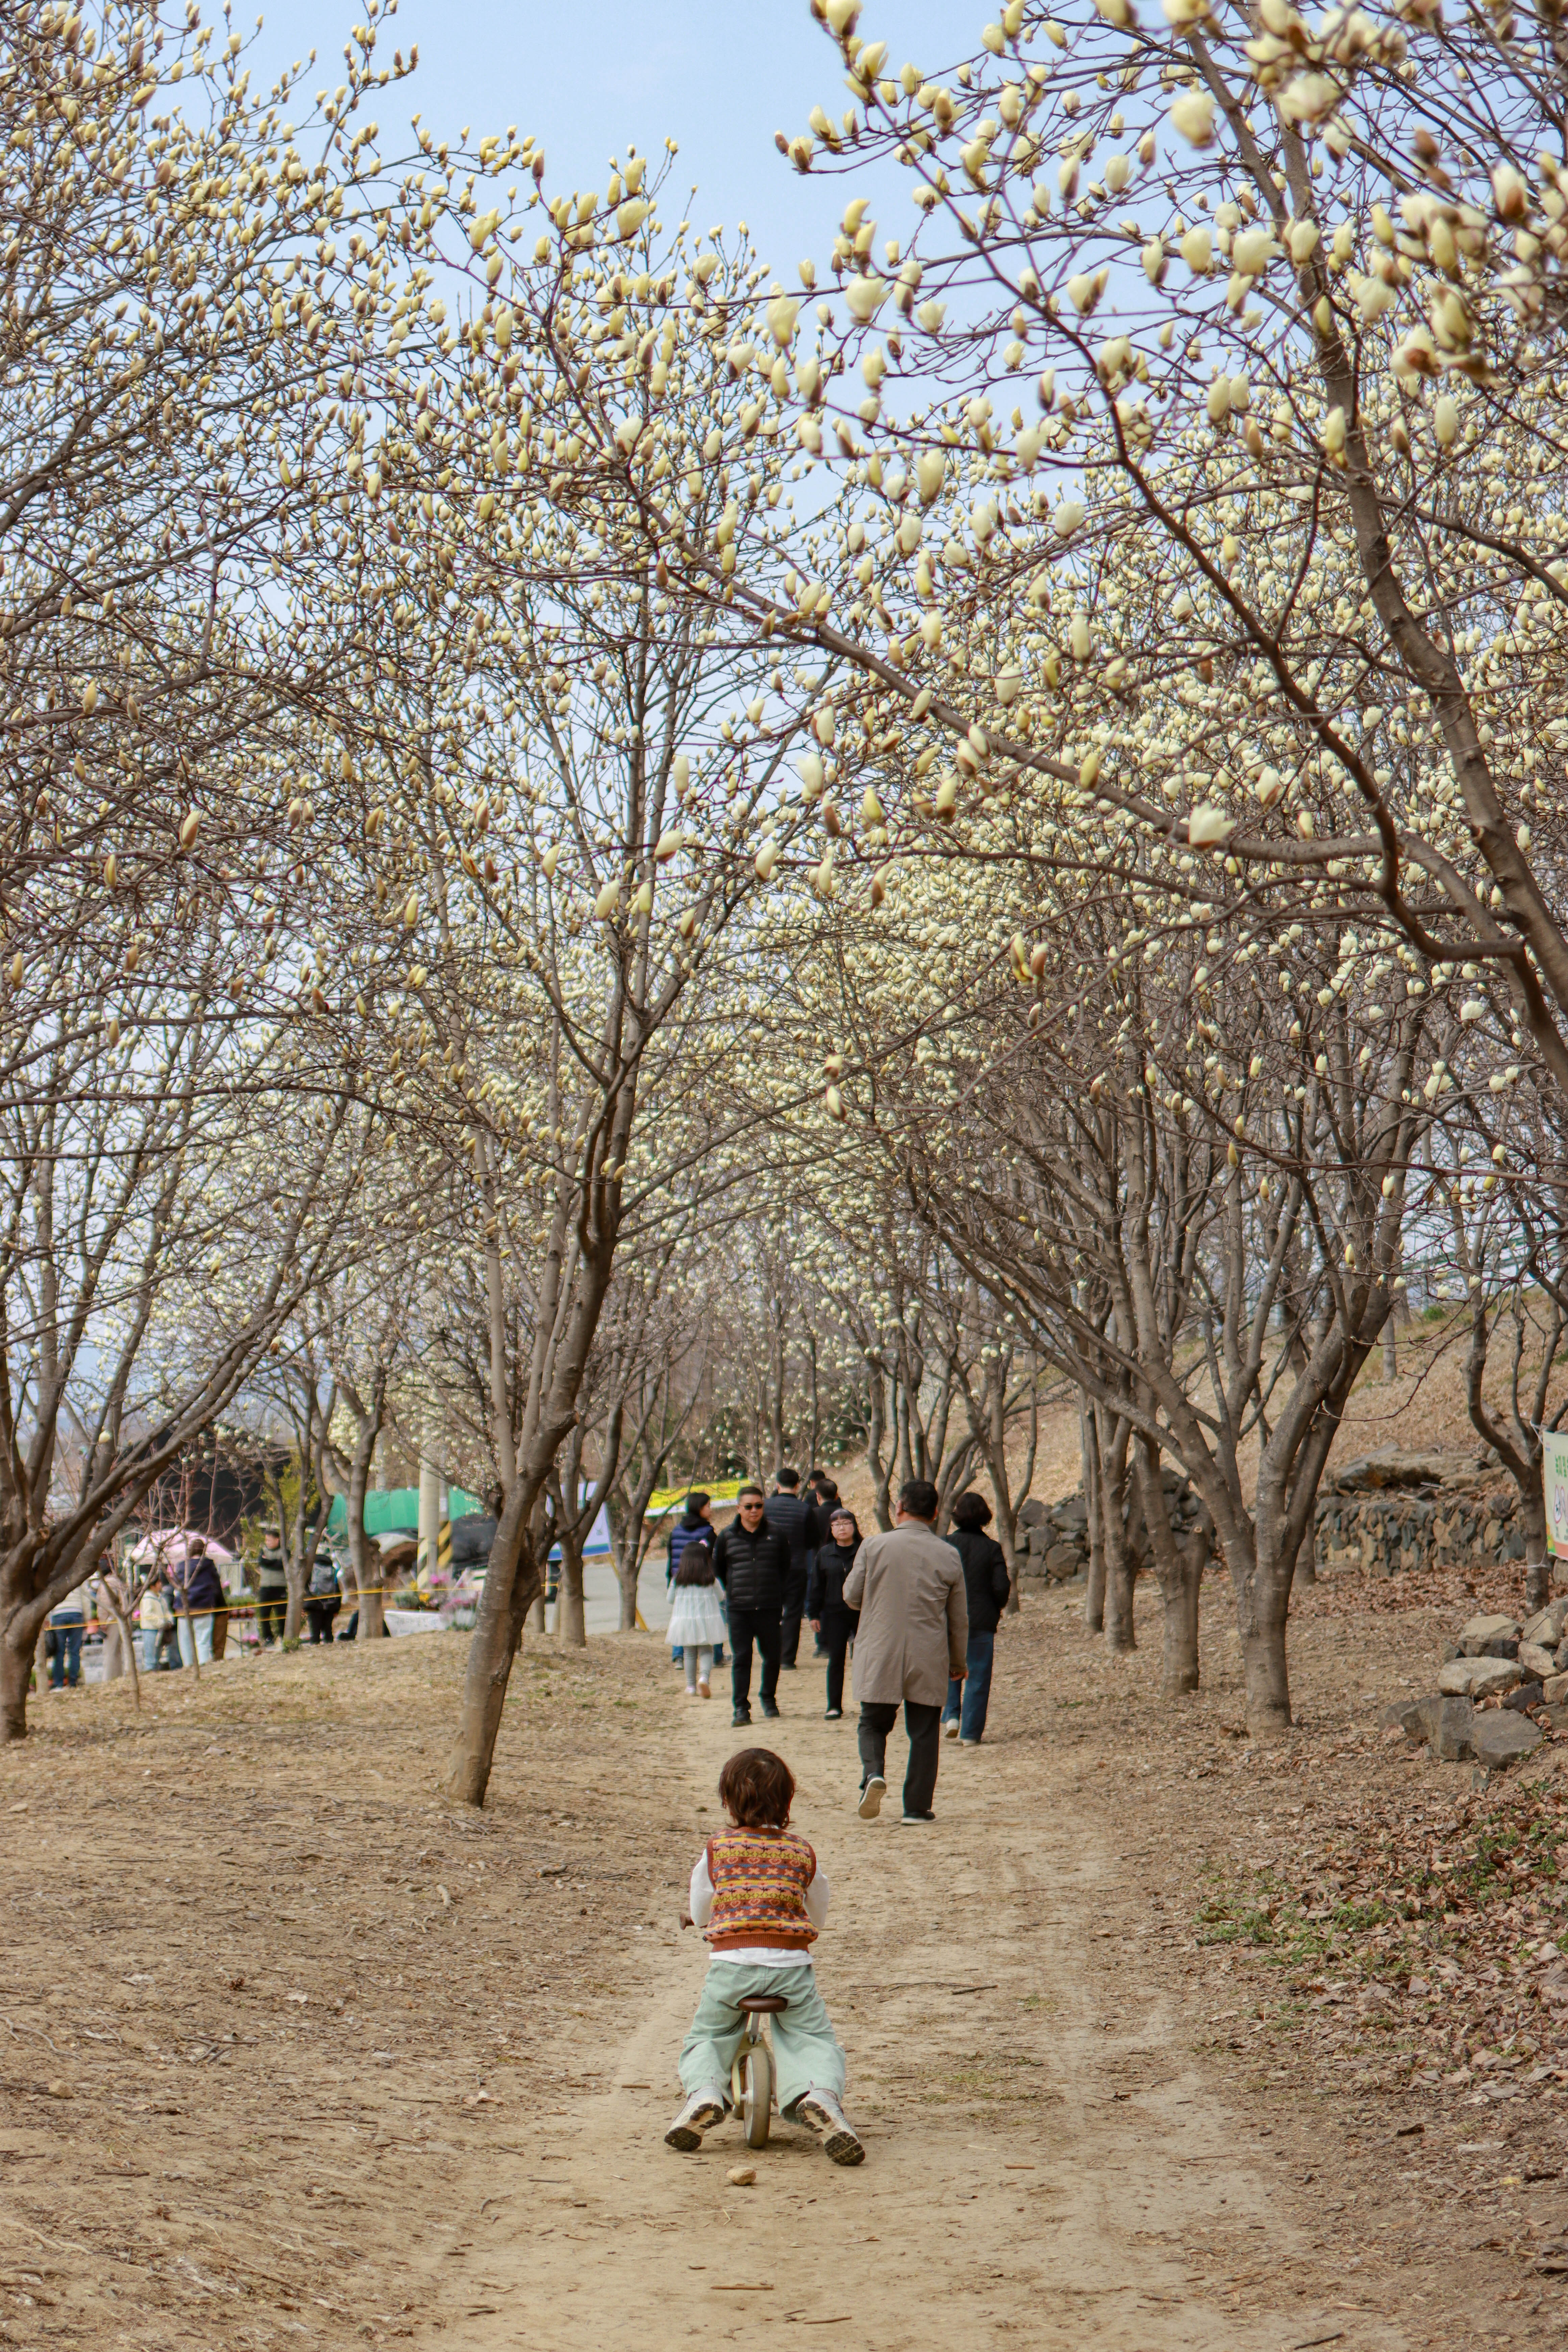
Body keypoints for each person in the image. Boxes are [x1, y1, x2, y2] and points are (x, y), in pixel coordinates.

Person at [665, 1745, 863, 2166]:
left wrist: (701, 1920)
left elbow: (702, 1905)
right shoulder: (801, 1851)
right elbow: (818, 1908)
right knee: (810, 2037)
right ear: (787, 1801)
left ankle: (704, 2093)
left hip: (732, 1967)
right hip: (790, 1968)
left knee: (709, 2035)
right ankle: (819, 2094)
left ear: (727, 1800)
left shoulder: (718, 1848)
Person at [843, 1478, 968, 1826]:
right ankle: (916, 1807)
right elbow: (959, 1618)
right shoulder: (948, 1554)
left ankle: (873, 1774)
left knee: (873, 1723)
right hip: (928, 1652)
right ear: (935, 1513)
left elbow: (851, 1596)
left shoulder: (873, 1546)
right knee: (925, 1732)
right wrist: (958, 1661)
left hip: (880, 1649)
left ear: (898, 1507)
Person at [713, 1486, 789, 1728]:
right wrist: (734, 1591)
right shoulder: (726, 1536)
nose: (754, 1510)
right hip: (739, 1609)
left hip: (769, 1607)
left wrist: (777, 1593)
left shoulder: (777, 1534)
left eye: (759, 1505)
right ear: (739, 1508)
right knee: (742, 1658)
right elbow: (719, 1569)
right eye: (748, 1507)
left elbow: (785, 1567)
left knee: (773, 1657)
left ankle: (768, 1698)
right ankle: (741, 1708)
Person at [941, 1492, 1013, 1746]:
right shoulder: (992, 1548)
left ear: (957, 1515)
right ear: (985, 1516)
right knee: (978, 1675)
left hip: (948, 1618)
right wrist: (996, 1606)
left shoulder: (945, 1544)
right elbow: (1002, 1586)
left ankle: (951, 1716)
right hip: (981, 1619)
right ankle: (970, 1734)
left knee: (949, 1667)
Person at [805, 1507, 862, 1721]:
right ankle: (834, 1706)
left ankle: (868, 1703)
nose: (842, 1528)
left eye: (846, 1523)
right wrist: (813, 1614)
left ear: (854, 1526)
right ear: (831, 1529)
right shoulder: (824, 1554)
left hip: (863, 1613)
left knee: (865, 1660)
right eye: (837, 1524)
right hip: (834, 1613)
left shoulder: (865, 1551)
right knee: (836, 1659)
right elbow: (817, 1586)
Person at [765, 1468, 814, 1672]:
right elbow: (811, 1541)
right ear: (798, 1485)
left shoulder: (765, 1507)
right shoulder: (805, 1509)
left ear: (777, 1485)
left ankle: (771, 1654)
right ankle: (787, 1659)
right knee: (793, 1612)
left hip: (769, 1567)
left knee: (771, 1611)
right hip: (796, 1566)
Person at [667, 1531, 726, 1699]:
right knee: (707, 1651)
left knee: (689, 1653)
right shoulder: (711, 1579)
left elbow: (670, 1600)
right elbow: (721, 1597)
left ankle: (691, 1686)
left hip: (685, 1622)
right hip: (706, 1622)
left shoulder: (678, 1580)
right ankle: (704, 1679)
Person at [666, 1493, 713, 1670]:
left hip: (680, 1581)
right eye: (708, 1506)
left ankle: (679, 1657)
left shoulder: (676, 1531)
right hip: (703, 1581)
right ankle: (716, 1656)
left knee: (681, 1618)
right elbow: (713, 1559)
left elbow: (671, 1557)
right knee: (710, 1618)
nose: (711, 1510)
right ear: (700, 1509)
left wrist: (670, 1581)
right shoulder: (707, 1532)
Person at [174, 1539, 224, 1668]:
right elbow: (217, 1587)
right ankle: (204, 1665)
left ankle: (188, 1666)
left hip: (183, 1608)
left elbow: (176, 1586)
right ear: (204, 1550)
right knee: (203, 1640)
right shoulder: (209, 1565)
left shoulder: (181, 1566)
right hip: (204, 1607)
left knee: (185, 1641)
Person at [46, 1581, 89, 1689]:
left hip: (59, 1614)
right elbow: (86, 1598)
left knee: (59, 1652)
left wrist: (48, 1618)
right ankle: (73, 1682)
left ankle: (58, 1683)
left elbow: (49, 1597)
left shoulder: (56, 1578)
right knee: (75, 1651)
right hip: (76, 1613)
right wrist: (87, 1618)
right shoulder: (79, 1577)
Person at [139, 1569, 175, 1674]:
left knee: (158, 1654)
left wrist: (170, 1621)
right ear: (152, 1586)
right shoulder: (148, 1599)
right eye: (158, 1583)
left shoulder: (161, 1597)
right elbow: (148, 1615)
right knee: (151, 1655)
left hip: (161, 1630)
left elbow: (167, 1611)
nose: (161, 1585)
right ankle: (150, 1672)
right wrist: (161, 1623)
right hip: (151, 1630)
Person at [257, 1528, 287, 1646]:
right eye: (266, 1540)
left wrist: (269, 1562)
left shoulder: (284, 1552)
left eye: (269, 1540)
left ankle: (284, 1637)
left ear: (277, 1540)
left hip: (280, 1587)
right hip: (265, 1588)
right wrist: (273, 1562)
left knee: (281, 1614)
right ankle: (268, 1638)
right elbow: (262, 1562)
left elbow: (281, 1565)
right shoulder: (263, 1551)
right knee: (264, 1614)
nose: (267, 1543)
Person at [305, 1556, 341, 1644]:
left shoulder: (312, 1571)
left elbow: (306, 1587)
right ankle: (329, 1645)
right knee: (328, 1629)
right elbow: (337, 1588)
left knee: (315, 1630)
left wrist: (305, 1605)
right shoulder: (332, 1571)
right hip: (331, 1603)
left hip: (314, 1603)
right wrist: (337, 1607)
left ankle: (315, 1644)